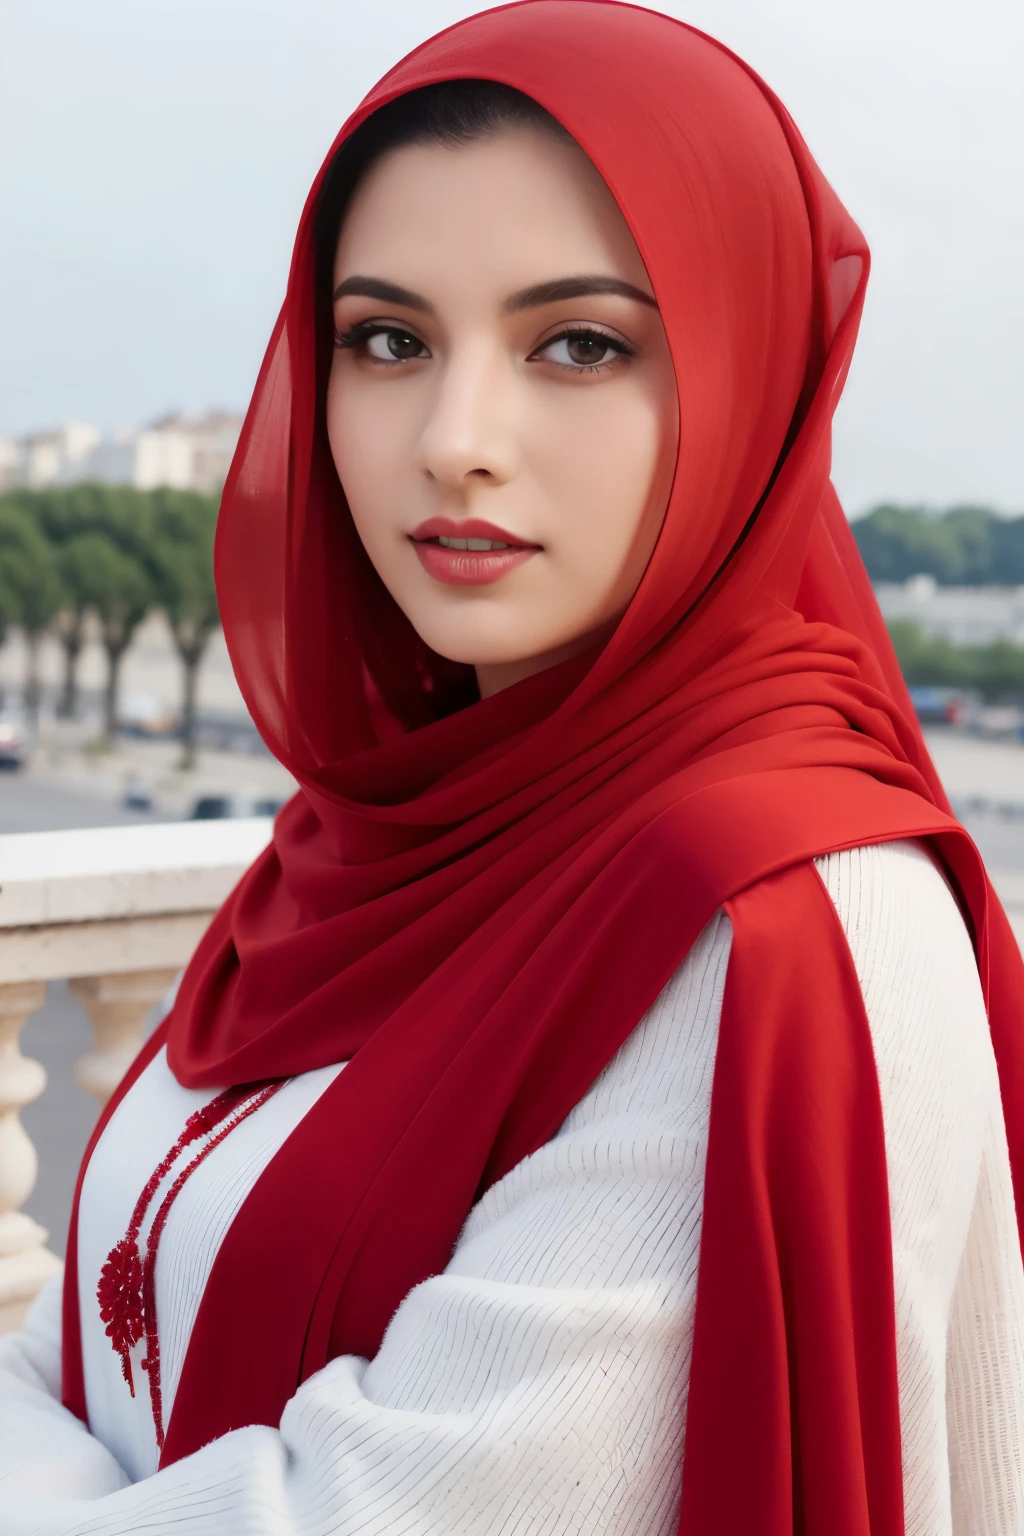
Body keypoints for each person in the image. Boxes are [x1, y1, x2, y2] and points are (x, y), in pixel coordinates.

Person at [2, 4, 1022, 1533]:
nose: (455, 438)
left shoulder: (775, 919)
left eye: (581, 343)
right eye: (388, 340)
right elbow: (83, 1331)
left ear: (749, 384)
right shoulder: (386, 826)